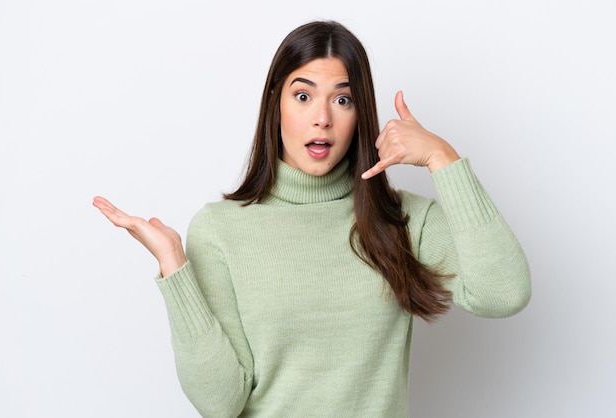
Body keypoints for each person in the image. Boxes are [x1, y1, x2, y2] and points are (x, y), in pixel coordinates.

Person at [93, 20, 531, 418]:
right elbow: (220, 402)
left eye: (343, 99)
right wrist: (174, 264)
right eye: (303, 96)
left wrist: (442, 157)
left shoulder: (403, 220)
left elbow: (505, 293)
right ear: (274, 104)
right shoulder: (219, 230)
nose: (322, 119)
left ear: (361, 114)